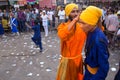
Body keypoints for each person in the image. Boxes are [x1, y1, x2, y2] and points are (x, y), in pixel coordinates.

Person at [56, 3, 86, 80]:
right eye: (73, 12)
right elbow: (62, 35)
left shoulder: (82, 27)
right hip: (67, 63)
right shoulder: (62, 26)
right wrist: (74, 21)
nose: (76, 14)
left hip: (78, 60)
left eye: (77, 11)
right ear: (67, 13)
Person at [79, 6, 109, 80]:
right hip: (89, 70)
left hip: (94, 76)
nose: (80, 26)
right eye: (80, 22)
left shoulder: (99, 40)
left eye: (83, 23)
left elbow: (104, 67)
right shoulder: (90, 32)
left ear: (92, 23)